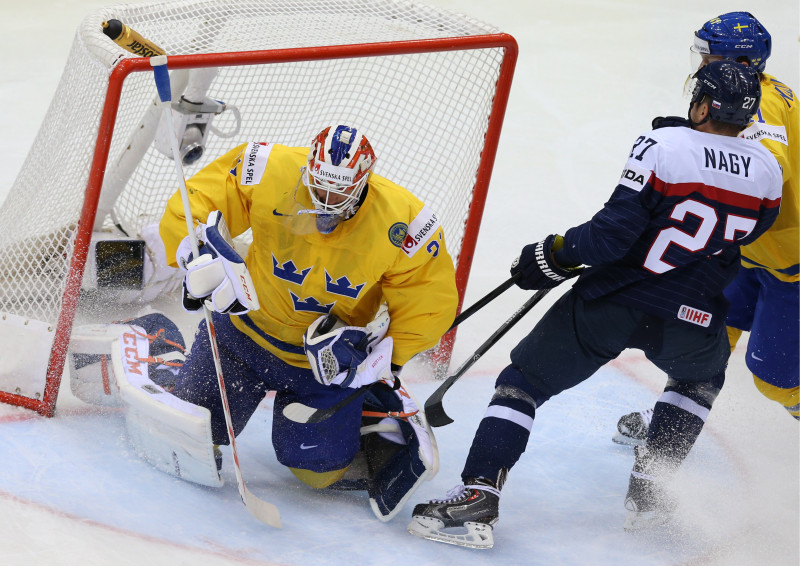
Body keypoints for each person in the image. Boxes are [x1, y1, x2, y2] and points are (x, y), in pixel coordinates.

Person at [407, 61, 782, 549]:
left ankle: (477, 496)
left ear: (705, 105)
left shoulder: (663, 147)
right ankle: (650, 497)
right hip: (693, 309)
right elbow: (749, 232)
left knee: (523, 383)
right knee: (698, 381)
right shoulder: (768, 169)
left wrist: (553, 254)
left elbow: (609, 238)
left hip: (615, 299)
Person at [129, 124, 457, 521]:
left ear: (363, 182)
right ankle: (165, 348)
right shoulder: (266, 167)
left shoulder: (406, 223)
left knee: (319, 473)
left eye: (339, 193)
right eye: (319, 187)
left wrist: (387, 355)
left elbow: (429, 300)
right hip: (241, 337)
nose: (326, 201)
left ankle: (372, 410)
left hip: (322, 368)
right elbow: (197, 198)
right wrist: (195, 253)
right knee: (194, 439)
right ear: (307, 170)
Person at [615, 12, 799, 446]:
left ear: (739, 58)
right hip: (752, 252)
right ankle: (673, 415)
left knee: (774, 380)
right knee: (705, 338)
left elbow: (771, 169)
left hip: (790, 263)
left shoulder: (763, 105)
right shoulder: (746, 91)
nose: (699, 62)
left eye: (707, 53)